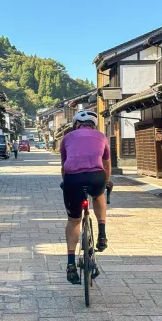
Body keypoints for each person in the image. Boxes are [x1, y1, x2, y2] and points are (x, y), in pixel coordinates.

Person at [60, 110, 111, 284]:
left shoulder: (67, 138)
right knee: (98, 195)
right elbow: (106, 165)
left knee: (74, 220)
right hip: (96, 177)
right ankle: (102, 234)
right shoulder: (102, 137)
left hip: (73, 179)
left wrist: (65, 183)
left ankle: (70, 264)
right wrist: (107, 182)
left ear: (76, 124)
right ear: (94, 125)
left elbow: (64, 167)